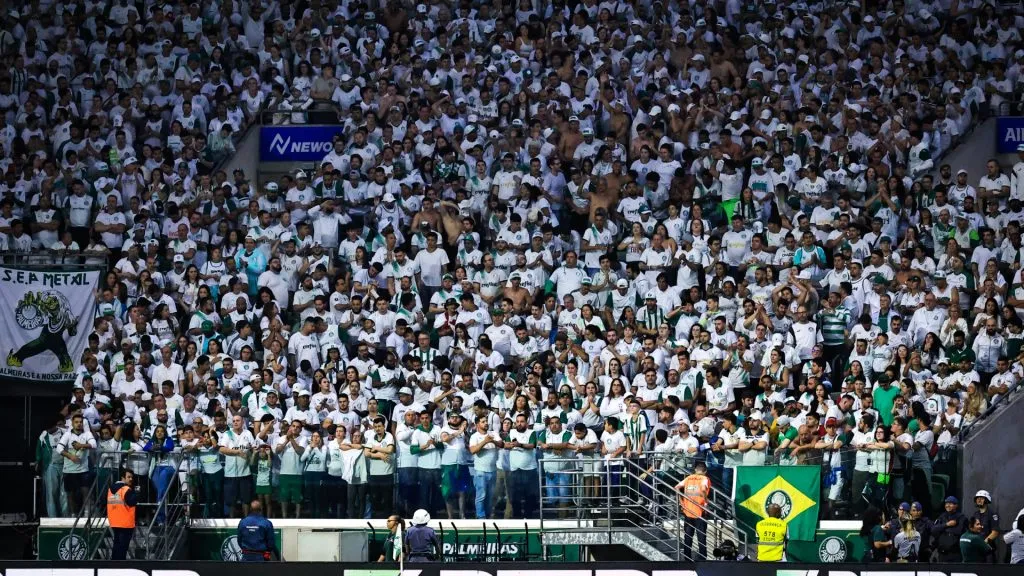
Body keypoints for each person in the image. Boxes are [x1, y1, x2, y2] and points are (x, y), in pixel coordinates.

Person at [676, 460, 711, 560]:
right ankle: (703, 559)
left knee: (688, 536)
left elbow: (677, 487)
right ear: (705, 471)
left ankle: (687, 558)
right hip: (700, 512)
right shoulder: (705, 478)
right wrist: (706, 502)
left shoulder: (688, 478)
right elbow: (704, 489)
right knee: (701, 537)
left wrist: (681, 502)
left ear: (695, 470)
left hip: (688, 511)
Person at [107, 468, 138, 560]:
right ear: (123, 478)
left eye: (132, 477)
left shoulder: (110, 489)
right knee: (122, 548)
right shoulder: (126, 489)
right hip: (125, 523)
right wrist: (137, 494)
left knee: (116, 546)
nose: (131, 479)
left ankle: (114, 565)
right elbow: (132, 502)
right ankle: (120, 566)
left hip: (114, 522)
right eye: (128, 477)